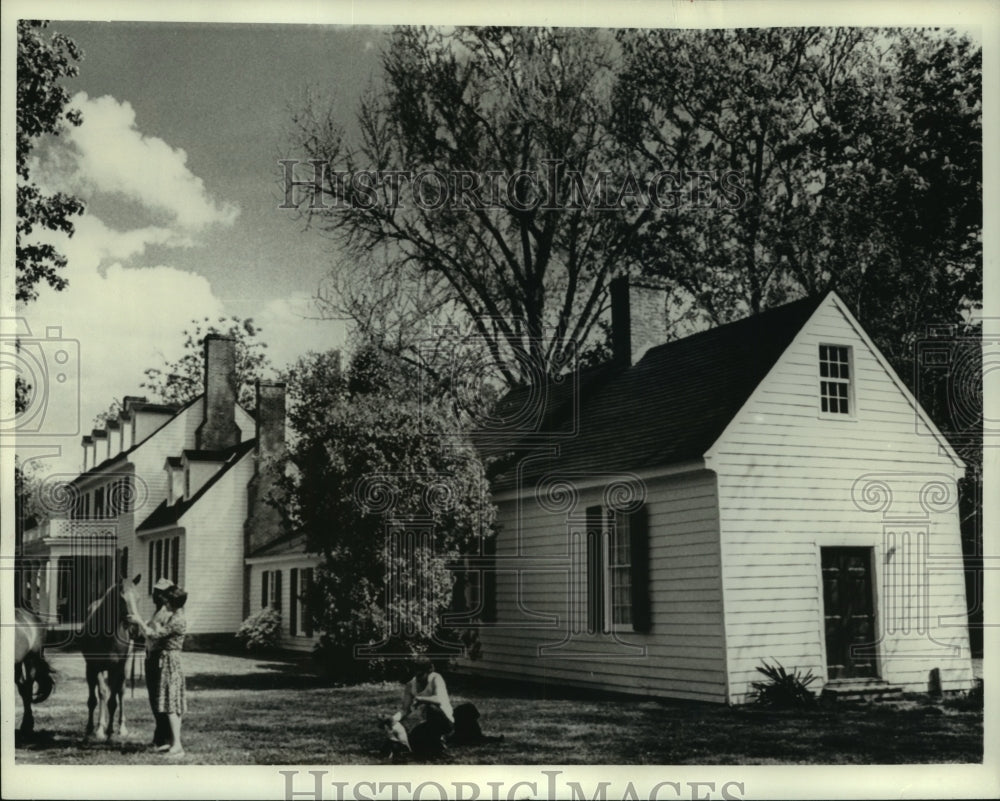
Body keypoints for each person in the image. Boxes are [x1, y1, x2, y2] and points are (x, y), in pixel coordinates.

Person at [130, 584, 188, 757]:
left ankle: (177, 746)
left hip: (170, 661)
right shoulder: (174, 617)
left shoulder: (177, 620)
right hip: (168, 661)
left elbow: (153, 635)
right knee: (170, 703)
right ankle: (171, 742)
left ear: (172, 602)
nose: (165, 603)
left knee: (171, 705)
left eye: (167, 601)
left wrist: (139, 621)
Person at [397, 657, 453, 758]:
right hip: (425, 722)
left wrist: (420, 698)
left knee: (431, 707)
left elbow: (439, 699)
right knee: (413, 740)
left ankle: (440, 740)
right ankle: (434, 744)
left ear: (430, 670)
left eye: (421, 674)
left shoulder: (436, 678)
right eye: (415, 674)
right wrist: (393, 719)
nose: (418, 678)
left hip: (444, 720)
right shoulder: (410, 685)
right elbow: (405, 710)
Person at [144, 578, 174, 748]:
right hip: (150, 656)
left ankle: (164, 735)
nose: (156, 596)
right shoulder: (157, 612)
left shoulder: (166, 613)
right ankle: (160, 733)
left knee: (159, 696)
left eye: (160, 593)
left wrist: (140, 624)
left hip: (158, 657)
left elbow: (154, 635)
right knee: (154, 696)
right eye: (155, 592)